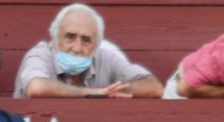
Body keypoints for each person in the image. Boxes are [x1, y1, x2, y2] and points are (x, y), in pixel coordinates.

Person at [13, 3, 162, 98]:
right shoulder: (40, 54)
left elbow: (154, 87)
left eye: (86, 40)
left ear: (96, 45)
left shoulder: (106, 58)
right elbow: (37, 88)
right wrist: (95, 93)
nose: (77, 48)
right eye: (70, 37)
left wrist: (112, 93)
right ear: (55, 38)